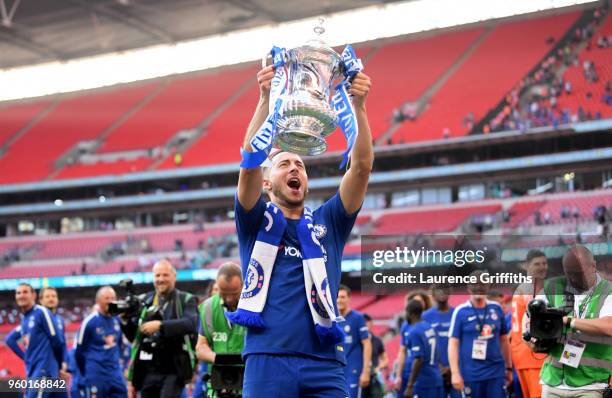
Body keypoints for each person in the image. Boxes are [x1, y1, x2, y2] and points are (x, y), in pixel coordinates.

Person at [231, 61, 373, 398]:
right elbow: (250, 162)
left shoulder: (329, 222)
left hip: (325, 363)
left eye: (300, 165)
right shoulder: (254, 220)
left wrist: (360, 106)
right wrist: (264, 98)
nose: (295, 167)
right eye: (284, 164)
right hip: (267, 357)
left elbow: (362, 167)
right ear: (267, 182)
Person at [532, 245, 612, 398]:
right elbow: (531, 318)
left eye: (578, 274)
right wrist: (532, 338)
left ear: (593, 266)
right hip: (552, 380)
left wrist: (569, 321)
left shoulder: (608, 291)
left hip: (590, 384)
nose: (574, 279)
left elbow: (609, 326)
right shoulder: (552, 287)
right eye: (569, 274)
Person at [121, 259, 198, 398]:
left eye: (165, 275)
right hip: (147, 369)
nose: (161, 279)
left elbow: (190, 323)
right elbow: (133, 337)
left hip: (174, 368)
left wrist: (160, 326)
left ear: (174, 277)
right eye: (157, 275)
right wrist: (125, 320)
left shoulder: (186, 299)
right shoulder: (145, 300)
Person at [448, 271, 512, 398]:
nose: (479, 287)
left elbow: (504, 340)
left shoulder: (497, 308)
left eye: (482, 283)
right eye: (475, 284)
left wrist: (509, 368)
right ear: (468, 287)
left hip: (496, 372)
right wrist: (455, 373)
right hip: (471, 374)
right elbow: (453, 344)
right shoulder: (460, 311)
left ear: (488, 286)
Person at [5, 283, 65, 398]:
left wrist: (59, 367)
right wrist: (26, 357)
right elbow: (10, 340)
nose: (21, 295)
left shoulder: (41, 312)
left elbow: (58, 341)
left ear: (34, 295)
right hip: (33, 371)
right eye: (18, 293)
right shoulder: (25, 319)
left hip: (44, 370)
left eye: (25, 292)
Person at [195, 262, 246, 397]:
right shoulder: (207, 308)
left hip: (249, 382)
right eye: (224, 293)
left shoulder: (256, 307)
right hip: (219, 384)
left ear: (243, 285)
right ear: (216, 286)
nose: (229, 299)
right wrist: (218, 359)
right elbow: (200, 348)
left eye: (234, 293)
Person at [75, 286, 127, 398]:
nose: (110, 301)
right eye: (107, 298)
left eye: (113, 298)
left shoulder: (117, 321)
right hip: (96, 374)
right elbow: (79, 352)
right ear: (98, 301)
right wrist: (89, 370)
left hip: (115, 374)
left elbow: (119, 346)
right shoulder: (89, 322)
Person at [511, 250, 548, 398]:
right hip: (532, 354)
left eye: (544, 263)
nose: (542, 267)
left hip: (525, 355)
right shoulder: (528, 291)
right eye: (537, 264)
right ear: (526, 265)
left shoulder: (525, 288)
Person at [422, 284, 459, 398]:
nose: (442, 293)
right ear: (432, 295)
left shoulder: (457, 313)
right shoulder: (425, 317)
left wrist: (453, 368)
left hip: (457, 370)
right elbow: (424, 345)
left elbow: (463, 343)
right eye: (438, 291)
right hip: (434, 370)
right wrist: (440, 367)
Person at [403, 299, 444, 398]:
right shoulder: (429, 327)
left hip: (424, 382)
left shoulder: (414, 332)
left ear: (410, 313)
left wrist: (409, 385)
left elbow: (418, 359)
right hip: (436, 378)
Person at [337, 285, 372, 398]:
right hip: (337, 370)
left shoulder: (358, 318)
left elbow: (367, 343)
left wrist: (366, 371)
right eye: (337, 297)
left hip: (353, 369)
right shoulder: (333, 319)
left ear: (349, 298)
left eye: (342, 297)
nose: (339, 300)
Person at [363, 313, 388, 398]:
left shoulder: (377, 340)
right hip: (361, 375)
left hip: (374, 376)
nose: (365, 325)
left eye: (367, 322)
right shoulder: (357, 341)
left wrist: (379, 368)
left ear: (371, 323)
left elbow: (385, 360)